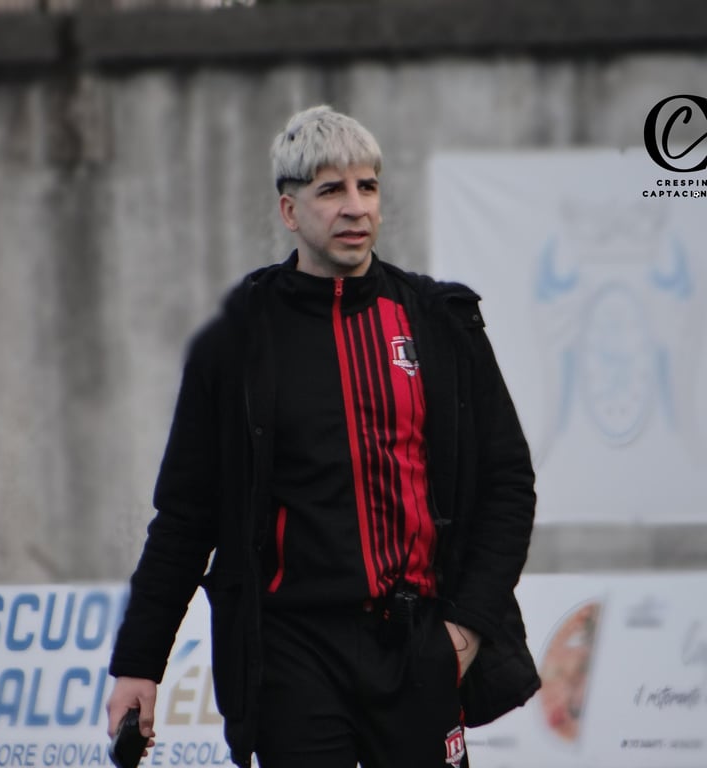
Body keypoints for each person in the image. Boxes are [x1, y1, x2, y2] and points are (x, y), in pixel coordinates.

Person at [106, 105, 539, 768]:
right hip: (291, 652)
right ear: (289, 210)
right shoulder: (237, 340)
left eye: (367, 186)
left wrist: (467, 627)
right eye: (331, 190)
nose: (354, 207)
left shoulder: (438, 321)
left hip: (418, 642)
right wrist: (139, 663)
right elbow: (187, 514)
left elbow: (507, 481)